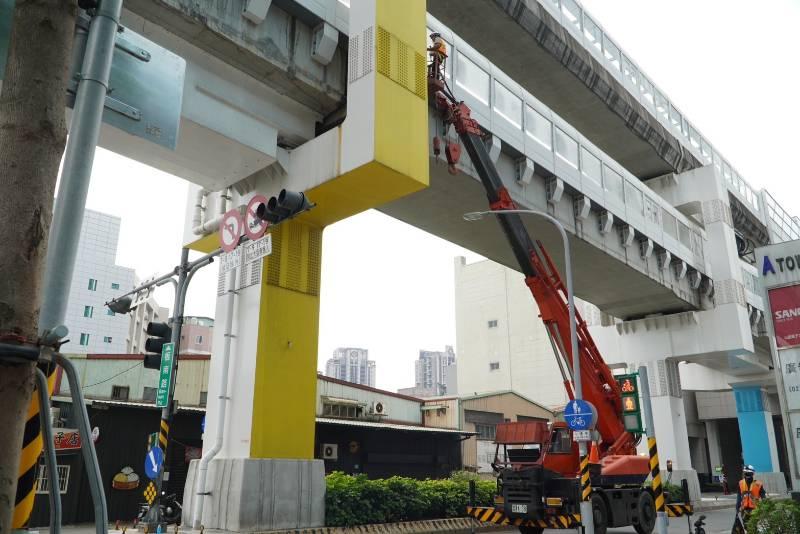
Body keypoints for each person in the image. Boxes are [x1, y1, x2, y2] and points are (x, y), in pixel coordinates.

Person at [732, 465, 765, 533]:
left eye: (748, 473)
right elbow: (739, 497)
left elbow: (764, 497)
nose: (747, 475)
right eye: (746, 473)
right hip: (744, 509)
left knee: (753, 526)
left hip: (755, 509)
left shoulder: (758, 484)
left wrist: (764, 508)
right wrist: (737, 508)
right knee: (747, 526)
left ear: (752, 474)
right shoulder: (741, 483)